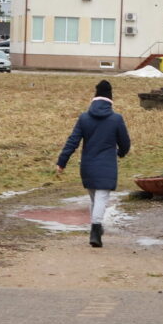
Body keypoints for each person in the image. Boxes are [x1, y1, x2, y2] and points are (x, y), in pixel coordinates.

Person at [56, 80, 131, 247]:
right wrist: (121, 153)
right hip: (107, 167)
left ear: (95, 97)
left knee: (94, 200)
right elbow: (125, 143)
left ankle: (97, 228)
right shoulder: (116, 119)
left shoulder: (84, 118)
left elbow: (72, 141)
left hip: (88, 166)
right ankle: (95, 231)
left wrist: (62, 162)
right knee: (101, 199)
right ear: (110, 99)